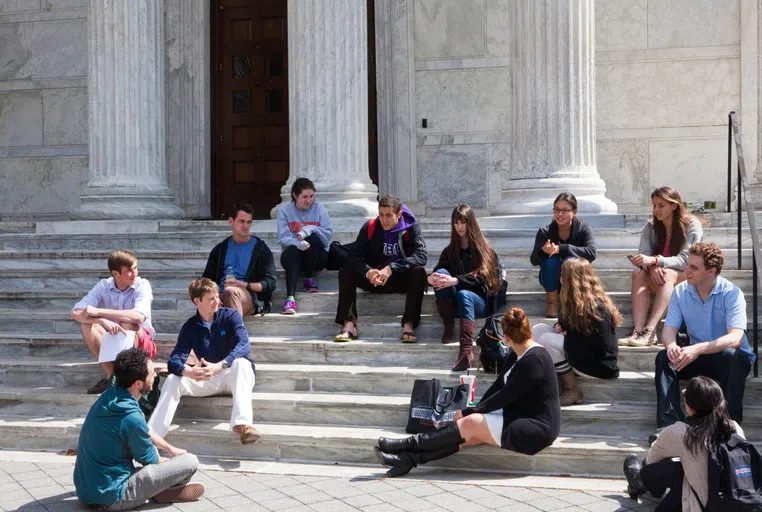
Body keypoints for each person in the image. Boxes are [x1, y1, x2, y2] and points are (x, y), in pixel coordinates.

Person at [374, 307, 561, 477]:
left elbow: (504, 397)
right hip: (518, 414)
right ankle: (407, 460)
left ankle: (406, 445)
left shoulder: (534, 360)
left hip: (538, 427)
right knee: (468, 435)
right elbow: (497, 387)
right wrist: (475, 409)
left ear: (506, 338)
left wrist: (467, 412)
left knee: (471, 423)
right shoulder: (517, 353)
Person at [74, 348, 204, 509]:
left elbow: (143, 428)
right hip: (112, 497)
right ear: (138, 383)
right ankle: (164, 489)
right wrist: (171, 467)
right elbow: (150, 460)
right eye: (151, 373)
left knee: (169, 460)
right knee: (190, 461)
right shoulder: (131, 417)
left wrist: (171, 449)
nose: (155, 375)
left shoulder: (110, 397)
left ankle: (161, 489)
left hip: (86, 491)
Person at [147, 278, 260, 445]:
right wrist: (188, 371)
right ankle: (152, 436)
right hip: (208, 378)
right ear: (197, 301)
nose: (217, 301)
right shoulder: (190, 326)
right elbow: (175, 359)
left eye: (217, 297)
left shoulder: (231, 316)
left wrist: (220, 365)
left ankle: (242, 425)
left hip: (234, 375)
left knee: (241, 363)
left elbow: (244, 345)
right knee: (173, 379)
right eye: (211, 298)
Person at [654, 242, 753, 429]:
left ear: (711, 271)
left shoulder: (732, 293)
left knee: (733, 355)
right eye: (687, 265)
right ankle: (670, 426)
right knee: (664, 358)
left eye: (694, 267)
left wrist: (697, 349)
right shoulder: (680, 291)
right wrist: (671, 346)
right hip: (697, 356)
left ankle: (728, 427)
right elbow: (669, 330)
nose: (687, 270)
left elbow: (736, 338)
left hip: (726, 358)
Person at [624, 376, 745, 512]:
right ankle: (638, 482)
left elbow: (651, 460)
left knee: (658, 468)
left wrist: (662, 444)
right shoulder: (733, 427)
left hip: (703, 504)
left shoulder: (680, 431)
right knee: (687, 466)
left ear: (690, 405)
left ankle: (636, 481)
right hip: (737, 499)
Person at [334, 194, 427, 343]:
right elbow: (353, 256)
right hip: (375, 279)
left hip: (399, 279)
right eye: (381, 215)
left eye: (389, 215)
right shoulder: (370, 227)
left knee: (419, 272)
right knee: (346, 271)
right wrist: (368, 271)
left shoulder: (411, 227)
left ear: (399, 214)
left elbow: (421, 256)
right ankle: (349, 325)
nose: (384, 220)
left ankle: (408, 326)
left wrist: (392, 268)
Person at [619, 187, 703, 347]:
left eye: (661, 205)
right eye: (654, 205)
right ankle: (638, 330)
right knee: (638, 272)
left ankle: (650, 332)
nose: (656, 210)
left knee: (668, 274)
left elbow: (687, 260)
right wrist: (652, 266)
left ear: (674, 205)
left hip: (687, 277)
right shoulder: (650, 226)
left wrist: (656, 261)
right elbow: (644, 255)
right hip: (659, 275)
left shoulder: (692, 225)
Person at [532, 258, 621, 406]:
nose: (559, 278)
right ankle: (535, 382)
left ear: (572, 280)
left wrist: (569, 337)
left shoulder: (598, 308)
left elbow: (602, 346)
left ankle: (572, 389)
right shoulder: (571, 301)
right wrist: (560, 328)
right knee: (539, 329)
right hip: (580, 354)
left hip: (599, 365)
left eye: (562, 274)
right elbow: (569, 327)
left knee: (548, 339)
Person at [71, 250, 157, 395]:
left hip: (142, 343)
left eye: (135, 268)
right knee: (87, 324)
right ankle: (112, 377)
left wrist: (100, 312)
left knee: (128, 324)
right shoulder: (104, 285)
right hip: (112, 339)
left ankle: (128, 377)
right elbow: (75, 313)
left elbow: (138, 317)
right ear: (115, 274)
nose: (134, 273)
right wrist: (101, 320)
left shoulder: (142, 285)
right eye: (129, 270)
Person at [430, 204, 504, 371]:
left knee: (464, 294)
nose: (459, 227)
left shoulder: (484, 249)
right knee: (441, 273)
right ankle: (449, 325)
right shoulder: (450, 251)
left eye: (463, 222)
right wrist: (431, 278)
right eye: (456, 223)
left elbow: (483, 276)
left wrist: (455, 280)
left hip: (479, 302)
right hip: (455, 304)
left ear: (470, 223)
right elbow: (438, 270)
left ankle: (466, 350)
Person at [203, 202, 277, 317]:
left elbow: (270, 283)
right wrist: (214, 296)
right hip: (220, 295)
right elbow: (206, 280)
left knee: (231, 292)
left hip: (247, 296)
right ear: (231, 221)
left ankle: (237, 333)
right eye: (242, 221)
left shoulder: (261, 249)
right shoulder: (220, 249)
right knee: (205, 298)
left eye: (249, 222)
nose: (246, 226)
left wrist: (245, 285)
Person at [530, 192, 597, 318]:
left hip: (576, 280)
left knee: (571, 261)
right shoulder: (545, 231)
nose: (560, 214)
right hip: (551, 279)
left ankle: (572, 304)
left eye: (565, 210)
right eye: (557, 210)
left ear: (574, 211)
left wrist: (561, 249)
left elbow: (591, 253)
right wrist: (543, 251)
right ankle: (552, 304)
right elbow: (534, 260)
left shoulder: (583, 229)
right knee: (551, 261)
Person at [277, 177, 333, 314]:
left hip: (317, 258)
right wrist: (298, 243)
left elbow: (326, 237)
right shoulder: (284, 211)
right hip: (294, 258)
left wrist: (310, 229)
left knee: (313, 238)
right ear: (295, 195)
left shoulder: (319, 209)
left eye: (311, 196)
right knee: (292, 251)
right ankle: (290, 298)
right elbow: (283, 239)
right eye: (304, 197)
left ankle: (309, 278)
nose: (309, 201)